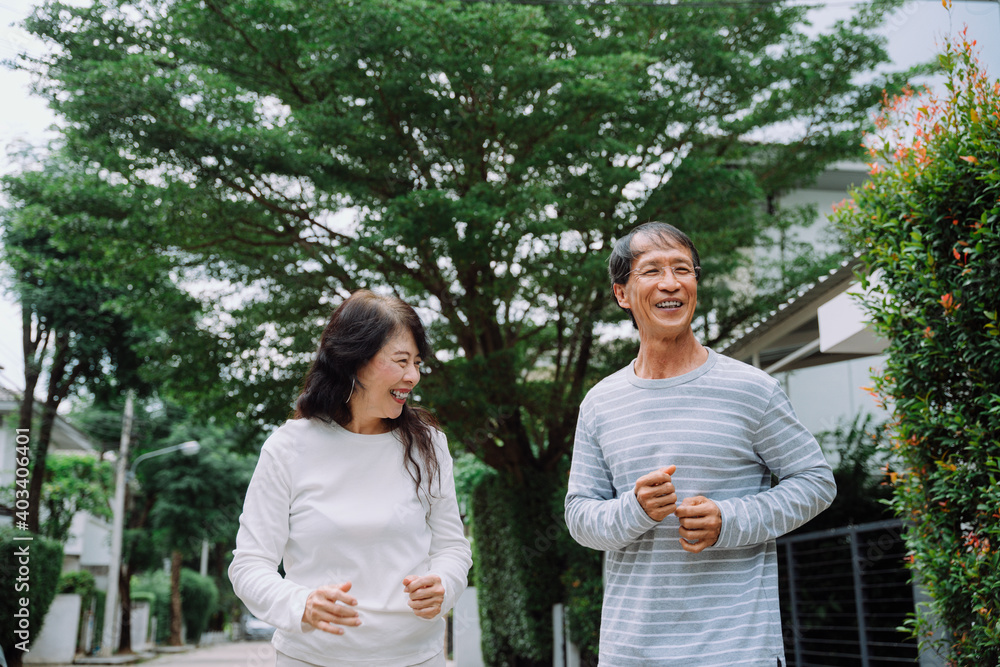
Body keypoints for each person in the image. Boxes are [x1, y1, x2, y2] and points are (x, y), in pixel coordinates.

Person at [564, 222, 836, 666]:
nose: (671, 283)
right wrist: (634, 509)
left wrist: (728, 520)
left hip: (738, 652)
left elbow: (815, 482)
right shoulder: (600, 402)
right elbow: (579, 516)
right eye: (652, 270)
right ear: (622, 293)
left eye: (682, 269)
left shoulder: (752, 389)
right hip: (631, 653)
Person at [230, 290, 472, 667]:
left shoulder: (430, 445)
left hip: (416, 658)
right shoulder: (288, 447)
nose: (413, 376)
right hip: (310, 658)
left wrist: (444, 584)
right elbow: (249, 564)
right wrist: (300, 604)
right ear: (354, 362)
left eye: (417, 363)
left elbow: (452, 548)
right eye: (401, 361)